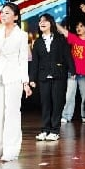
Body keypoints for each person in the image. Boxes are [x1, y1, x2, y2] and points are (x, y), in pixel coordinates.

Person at [0, 2, 33, 162]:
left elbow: (23, 60)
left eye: (7, 13)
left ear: (15, 17)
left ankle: (11, 150)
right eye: (2, 12)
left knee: (12, 113)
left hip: (14, 76)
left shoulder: (21, 35)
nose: (3, 15)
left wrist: (25, 82)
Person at [29, 13, 75, 142]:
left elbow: (67, 55)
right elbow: (35, 62)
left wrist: (72, 70)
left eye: (45, 21)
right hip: (43, 76)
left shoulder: (60, 39)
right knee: (45, 103)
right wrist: (32, 78)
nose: (42, 23)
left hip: (58, 75)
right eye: (40, 21)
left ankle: (55, 130)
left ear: (51, 23)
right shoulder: (37, 42)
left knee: (57, 103)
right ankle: (45, 129)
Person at [58, 18, 85, 123]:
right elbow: (63, 31)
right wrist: (54, 23)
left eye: (81, 26)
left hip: (84, 73)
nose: (78, 28)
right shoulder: (74, 38)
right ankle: (66, 116)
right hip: (73, 72)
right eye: (77, 27)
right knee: (69, 95)